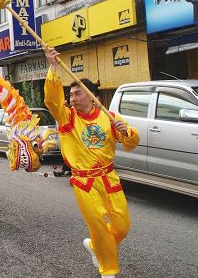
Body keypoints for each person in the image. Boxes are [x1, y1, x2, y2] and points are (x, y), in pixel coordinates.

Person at [44, 47, 140, 278]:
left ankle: (97, 247)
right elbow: (52, 101)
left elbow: (131, 142)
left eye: (77, 94)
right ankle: (108, 269)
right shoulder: (68, 117)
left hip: (109, 178)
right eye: (71, 94)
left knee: (122, 227)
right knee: (97, 224)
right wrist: (53, 66)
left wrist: (127, 131)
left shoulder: (109, 116)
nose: (72, 98)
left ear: (92, 96)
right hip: (84, 182)